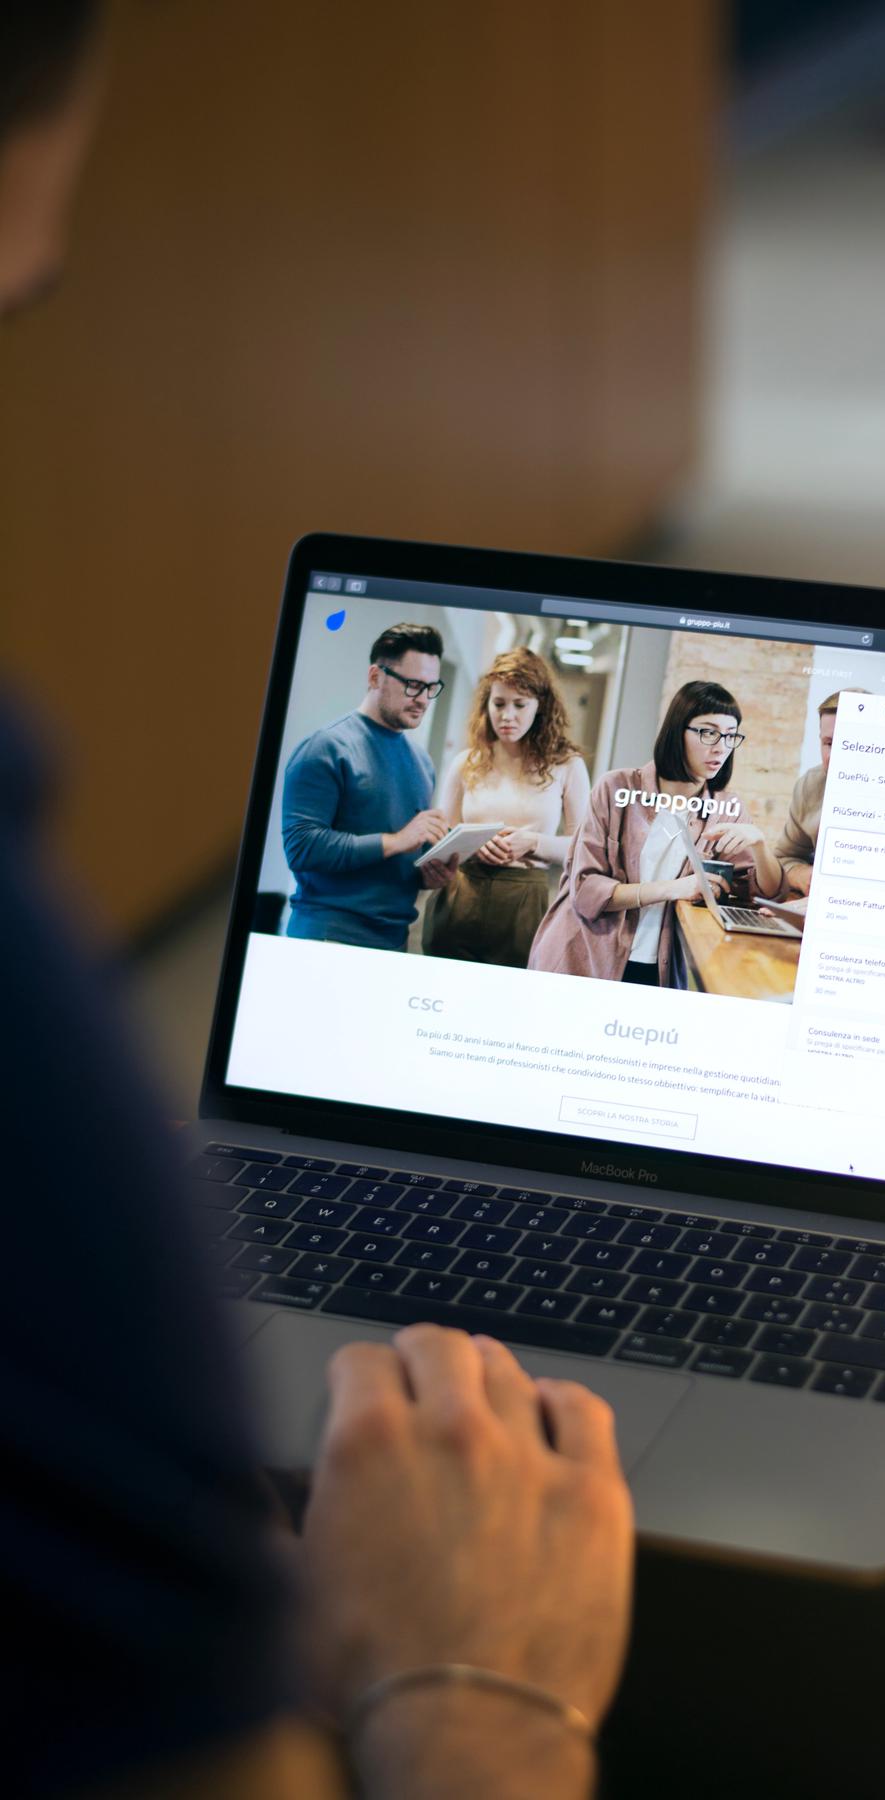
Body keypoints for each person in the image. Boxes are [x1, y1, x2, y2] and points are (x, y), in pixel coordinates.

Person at [0, 8, 634, 1799]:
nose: (463, 703)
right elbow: (317, 870)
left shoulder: (486, 766)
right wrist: (479, 1701)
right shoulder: (331, 782)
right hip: (383, 947)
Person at [529, 679, 786, 987]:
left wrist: (758, 844)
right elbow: (586, 891)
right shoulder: (616, 788)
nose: (720, 747)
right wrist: (674, 888)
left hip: (658, 970)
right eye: (708, 732)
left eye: (731, 736)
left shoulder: (725, 807)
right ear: (678, 731)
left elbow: (765, 894)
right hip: (581, 960)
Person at [282, 623, 457, 949]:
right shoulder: (326, 747)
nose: (423, 699)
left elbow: (398, 860)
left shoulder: (422, 763)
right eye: (414, 685)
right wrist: (398, 840)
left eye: (432, 688)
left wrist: (427, 876)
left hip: (393, 940)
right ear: (375, 677)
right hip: (327, 937)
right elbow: (302, 848)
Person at [423, 647, 590, 967]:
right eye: (498, 704)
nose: (507, 716)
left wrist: (534, 843)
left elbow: (584, 848)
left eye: (519, 705)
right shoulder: (466, 763)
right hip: (461, 893)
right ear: (486, 705)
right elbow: (441, 837)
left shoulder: (566, 765)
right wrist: (470, 843)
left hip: (525, 900)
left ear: (541, 706)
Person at [775, 687, 869, 897]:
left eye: (849, 743)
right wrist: (803, 875)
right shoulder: (810, 785)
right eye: (829, 743)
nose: (836, 755)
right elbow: (783, 858)